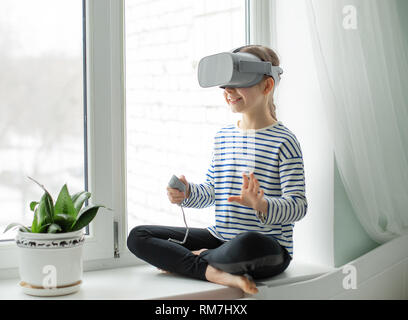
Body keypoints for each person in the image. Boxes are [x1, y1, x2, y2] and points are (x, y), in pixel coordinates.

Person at [127, 45, 308, 295]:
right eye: (225, 86)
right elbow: (213, 192)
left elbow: (298, 206)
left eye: (237, 84)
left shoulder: (284, 141)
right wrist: (188, 193)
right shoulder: (223, 136)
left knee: (248, 241)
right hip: (221, 239)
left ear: (267, 86)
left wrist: (262, 205)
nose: (228, 92)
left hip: (267, 249)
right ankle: (212, 269)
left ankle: (195, 261)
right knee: (138, 236)